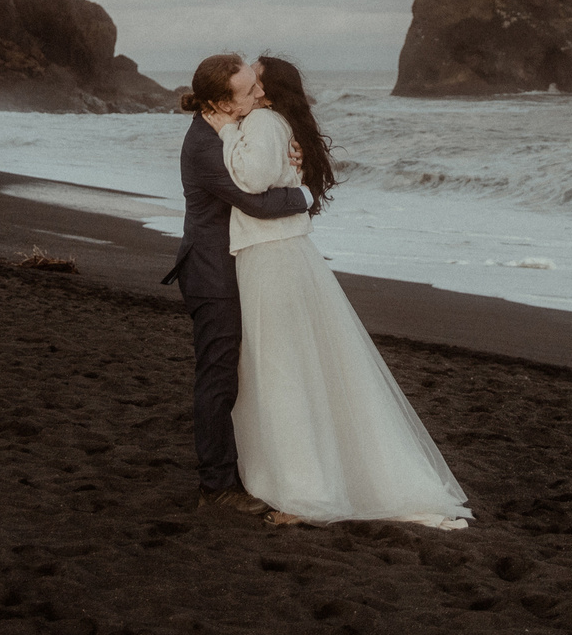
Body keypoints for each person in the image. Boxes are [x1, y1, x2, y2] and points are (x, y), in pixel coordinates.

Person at [224, 56, 471, 530]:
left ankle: (306, 493)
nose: (248, 80)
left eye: (255, 75)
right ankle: (309, 481)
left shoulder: (261, 120)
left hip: (272, 257)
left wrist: (228, 133)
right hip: (283, 255)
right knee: (297, 366)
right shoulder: (277, 122)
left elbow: (252, 181)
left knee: (282, 370)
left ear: (268, 90)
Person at [163, 52, 314, 514]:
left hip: (234, 265)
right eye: (249, 91)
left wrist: (292, 160)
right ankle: (217, 486)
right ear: (222, 103)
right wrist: (306, 192)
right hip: (212, 273)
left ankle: (241, 471)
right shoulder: (205, 148)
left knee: (237, 374)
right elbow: (259, 204)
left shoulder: (232, 127)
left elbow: (262, 168)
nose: (259, 95)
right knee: (218, 378)